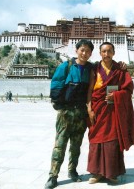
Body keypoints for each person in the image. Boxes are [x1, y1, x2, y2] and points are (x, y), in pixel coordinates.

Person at [86, 42, 134, 184]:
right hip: (98, 110)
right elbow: (90, 91)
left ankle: (111, 173)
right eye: (103, 51)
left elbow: (128, 90)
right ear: (100, 53)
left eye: (109, 51)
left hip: (113, 112)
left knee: (112, 141)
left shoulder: (120, 70)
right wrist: (89, 109)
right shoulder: (94, 69)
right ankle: (96, 173)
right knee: (95, 140)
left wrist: (116, 95)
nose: (106, 54)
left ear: (114, 53)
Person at [44, 39, 94, 189]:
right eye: (82, 50)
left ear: (91, 53)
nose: (84, 53)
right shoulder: (66, 66)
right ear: (77, 50)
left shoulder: (91, 69)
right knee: (60, 145)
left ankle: (72, 171)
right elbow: (56, 85)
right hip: (66, 113)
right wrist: (60, 106)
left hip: (81, 113)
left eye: (88, 51)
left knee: (76, 146)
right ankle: (53, 176)